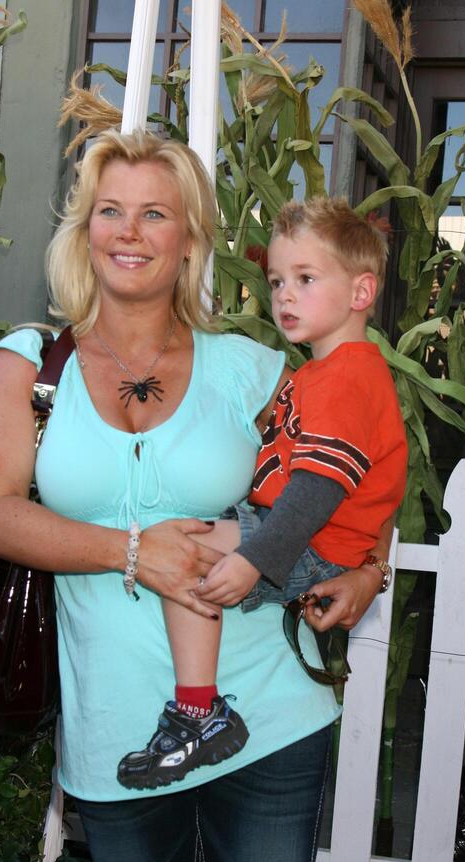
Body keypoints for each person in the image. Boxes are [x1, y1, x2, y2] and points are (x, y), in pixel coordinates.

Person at [0, 128, 391, 862]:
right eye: (109, 210)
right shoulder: (28, 365)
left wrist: (369, 567)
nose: (128, 230)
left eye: (154, 213)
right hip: (120, 727)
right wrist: (132, 551)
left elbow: (356, 462)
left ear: (189, 238)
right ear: (84, 230)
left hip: (268, 714)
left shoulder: (252, 368)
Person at [118, 197, 407, 789]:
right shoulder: (318, 373)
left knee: (182, 549)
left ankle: (199, 713)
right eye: (277, 281)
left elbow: (318, 488)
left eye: (305, 279)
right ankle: (199, 709)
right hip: (294, 531)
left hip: (310, 543)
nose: (284, 296)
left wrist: (256, 559)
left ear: (360, 293)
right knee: (184, 541)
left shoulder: (351, 376)